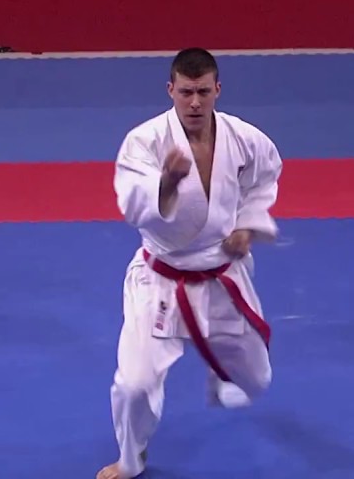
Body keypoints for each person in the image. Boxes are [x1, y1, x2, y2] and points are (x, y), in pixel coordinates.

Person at [98, 48, 282, 479]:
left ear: (217, 89)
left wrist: (247, 226)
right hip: (161, 279)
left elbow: (264, 179)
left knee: (256, 380)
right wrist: (166, 183)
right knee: (135, 384)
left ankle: (221, 372)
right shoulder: (145, 141)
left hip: (220, 273)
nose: (194, 102)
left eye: (202, 92)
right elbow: (132, 206)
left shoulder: (244, 138)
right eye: (186, 92)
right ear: (171, 90)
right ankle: (131, 458)